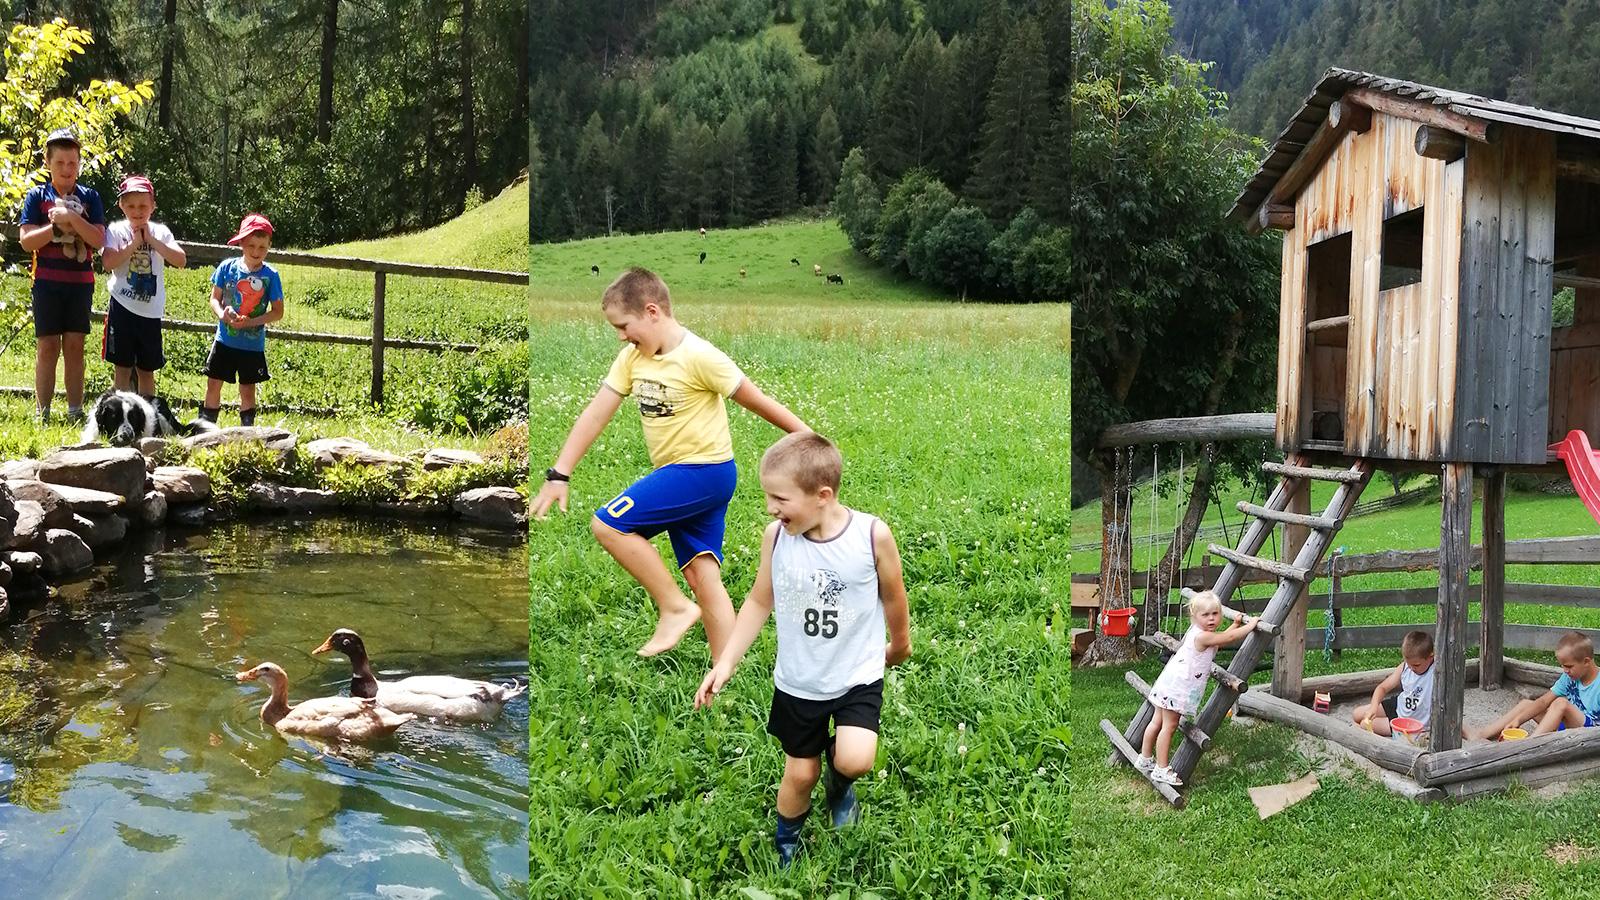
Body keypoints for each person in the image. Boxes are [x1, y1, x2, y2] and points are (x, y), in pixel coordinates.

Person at [533, 267, 807, 660]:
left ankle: (675, 608)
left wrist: (810, 438)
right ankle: (721, 679)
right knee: (702, 576)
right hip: (683, 476)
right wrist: (559, 473)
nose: (622, 336)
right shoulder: (631, 359)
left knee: (608, 524)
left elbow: (759, 401)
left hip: (704, 472)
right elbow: (596, 414)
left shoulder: (700, 356)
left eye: (625, 326)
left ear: (652, 312)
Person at [694, 431, 912, 866]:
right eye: (768, 498)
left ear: (822, 495)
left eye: (780, 498)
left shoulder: (871, 536)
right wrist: (726, 662)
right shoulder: (777, 538)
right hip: (799, 681)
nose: (771, 508)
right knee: (800, 772)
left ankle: (840, 784)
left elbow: (894, 595)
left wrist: (900, 644)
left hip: (856, 674)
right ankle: (786, 845)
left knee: (856, 759)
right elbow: (759, 600)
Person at [16, 129, 106, 423]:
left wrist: (72, 218)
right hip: (46, 284)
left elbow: (99, 239)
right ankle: (43, 413)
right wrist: (55, 229)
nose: (67, 170)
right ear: (48, 163)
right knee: (47, 347)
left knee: (75, 347)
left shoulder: (90, 197)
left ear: (79, 164)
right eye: (60, 163)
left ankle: (74, 411)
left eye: (72, 163)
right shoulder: (36, 196)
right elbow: (27, 240)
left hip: (80, 285)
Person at [1136, 591, 1255, 786]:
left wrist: (1234, 623)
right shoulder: (1202, 637)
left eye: (1215, 614)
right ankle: (1162, 768)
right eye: (1205, 615)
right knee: (1170, 725)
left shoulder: (1197, 632)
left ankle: (1145, 758)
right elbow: (1229, 638)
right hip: (1177, 688)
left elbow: (1222, 637)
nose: (1211, 618)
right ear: (1194, 616)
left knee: (1156, 721)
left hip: (1169, 682)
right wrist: (1250, 626)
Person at [99, 175, 185, 397]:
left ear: (153, 206)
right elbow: (108, 263)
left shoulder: (161, 232)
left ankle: (148, 417)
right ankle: (120, 416)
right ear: (121, 206)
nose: (137, 211)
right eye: (131, 206)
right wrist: (135, 243)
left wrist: (151, 241)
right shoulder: (116, 231)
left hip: (150, 312)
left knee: (147, 370)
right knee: (122, 368)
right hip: (122, 307)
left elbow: (180, 260)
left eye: (143, 206)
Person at [201, 214, 283, 426]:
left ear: (269, 246)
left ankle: (246, 433)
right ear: (241, 243)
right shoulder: (227, 268)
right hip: (224, 340)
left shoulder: (271, 275)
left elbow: (277, 312)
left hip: (252, 345)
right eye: (251, 246)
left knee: (247, 389)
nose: (256, 252)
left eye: (262, 247)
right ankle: (205, 429)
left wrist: (249, 322)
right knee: (213, 384)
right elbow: (214, 299)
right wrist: (223, 316)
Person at [1475, 631, 1600, 740]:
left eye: (1568, 666)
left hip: (1591, 734)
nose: (1565, 671)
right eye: (1562, 666)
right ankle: (1481, 734)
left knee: (1561, 703)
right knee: (1526, 704)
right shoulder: (1569, 676)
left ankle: (1530, 745)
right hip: (1568, 728)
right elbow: (1543, 702)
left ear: (1586, 662)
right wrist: (1518, 720)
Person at [1353, 630, 1435, 736]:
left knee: (1365, 724)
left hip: (1409, 720)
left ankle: (1360, 729)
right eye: (1408, 663)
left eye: (1416, 665)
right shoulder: (1405, 667)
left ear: (1430, 657)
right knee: (1357, 714)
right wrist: (1374, 706)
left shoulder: (1435, 671)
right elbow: (1382, 688)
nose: (1411, 668)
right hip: (1400, 704)